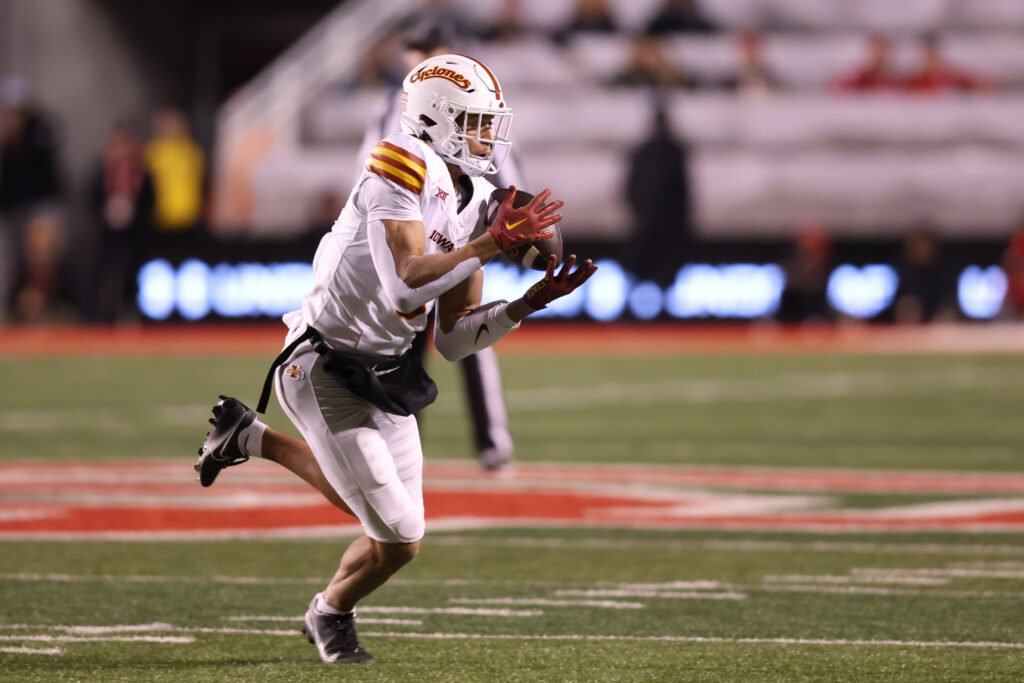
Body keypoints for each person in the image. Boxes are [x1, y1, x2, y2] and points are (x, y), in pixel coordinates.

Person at [193, 53, 596, 665]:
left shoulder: (479, 198)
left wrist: (528, 303)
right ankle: (330, 613)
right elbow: (405, 285)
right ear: (436, 120)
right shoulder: (399, 165)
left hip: (387, 370)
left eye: (490, 123)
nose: (488, 137)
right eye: (475, 122)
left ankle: (252, 445)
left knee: (393, 529)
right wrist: (491, 243)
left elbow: (454, 339)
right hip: (324, 363)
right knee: (402, 534)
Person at [358, 19, 525, 471]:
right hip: (411, 234)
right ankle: (400, 450)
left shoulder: (470, 101)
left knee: (466, 337)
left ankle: (492, 443)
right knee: (402, 346)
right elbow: (371, 177)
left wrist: (511, 221)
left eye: (428, 47)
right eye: (415, 48)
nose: (418, 55)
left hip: (458, 228)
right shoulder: (392, 107)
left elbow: (504, 178)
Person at [89, 124, 155, 322]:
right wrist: (108, 211)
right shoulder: (102, 171)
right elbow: (92, 197)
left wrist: (134, 212)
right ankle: (103, 316)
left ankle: (134, 313)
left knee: (134, 274)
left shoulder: (142, 172)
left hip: (135, 233)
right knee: (106, 273)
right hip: (109, 234)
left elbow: (151, 198)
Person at [902, 34, 993, 94]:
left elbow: (982, 87)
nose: (929, 59)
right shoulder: (912, 81)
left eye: (932, 54)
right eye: (925, 55)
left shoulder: (952, 77)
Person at [830, 34, 899, 92]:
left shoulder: (895, 80)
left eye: (884, 52)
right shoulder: (860, 79)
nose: (880, 56)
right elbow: (837, 88)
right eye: (876, 51)